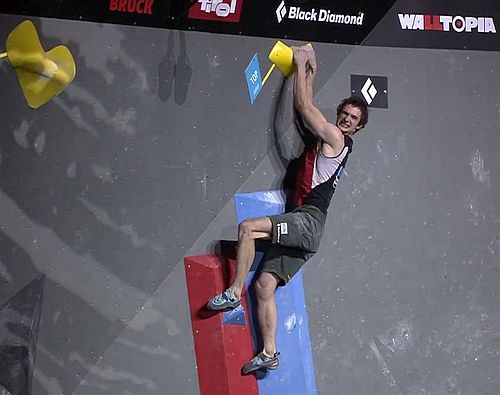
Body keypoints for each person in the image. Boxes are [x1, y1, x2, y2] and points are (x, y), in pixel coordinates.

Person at [206, 45, 369, 374]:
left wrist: (298, 63)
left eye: (354, 119)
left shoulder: (337, 139)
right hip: (306, 228)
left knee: (248, 228)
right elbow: (308, 107)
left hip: (307, 222)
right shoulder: (327, 137)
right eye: (345, 114)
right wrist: (308, 69)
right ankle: (269, 352)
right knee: (265, 286)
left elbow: (303, 105)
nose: (347, 120)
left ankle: (234, 292)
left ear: (357, 128)